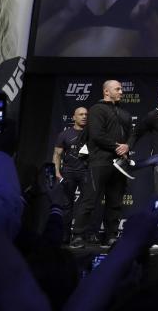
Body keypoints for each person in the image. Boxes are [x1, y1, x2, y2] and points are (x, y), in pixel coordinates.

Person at [86, 80, 132, 246]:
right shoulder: (97, 109)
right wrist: (117, 147)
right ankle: (82, 234)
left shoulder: (125, 113)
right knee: (91, 200)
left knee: (115, 202)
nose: (121, 92)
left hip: (119, 163)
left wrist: (127, 147)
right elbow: (97, 135)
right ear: (106, 91)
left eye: (121, 89)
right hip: (100, 161)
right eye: (117, 89)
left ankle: (111, 235)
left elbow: (130, 136)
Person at [53, 106, 96, 248]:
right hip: (68, 172)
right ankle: (65, 235)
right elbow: (57, 154)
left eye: (86, 114)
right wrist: (57, 173)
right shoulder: (65, 134)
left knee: (87, 205)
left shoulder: (93, 134)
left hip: (86, 172)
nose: (84, 116)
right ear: (74, 117)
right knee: (66, 206)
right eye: (81, 114)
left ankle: (84, 235)